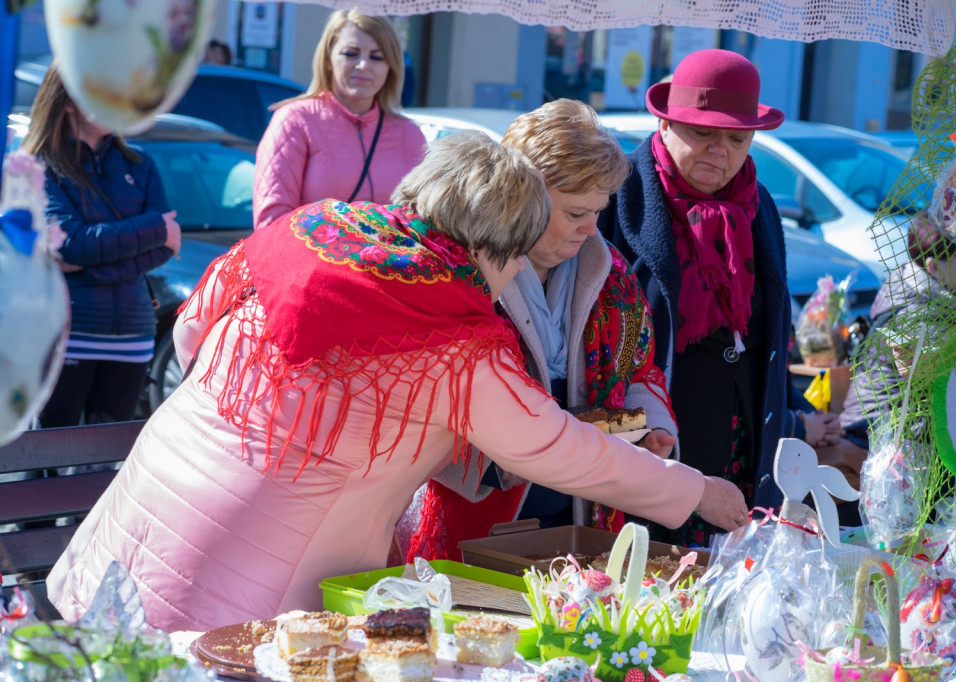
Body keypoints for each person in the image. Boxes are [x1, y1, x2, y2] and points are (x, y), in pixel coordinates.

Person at [47, 132, 742, 632]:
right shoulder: (459, 339)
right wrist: (698, 491)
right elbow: (560, 448)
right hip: (245, 584)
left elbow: (192, 331)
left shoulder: (311, 230)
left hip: (133, 523)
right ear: (492, 246)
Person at [404, 100, 747, 561]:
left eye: (598, 211)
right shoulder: (468, 276)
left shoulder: (611, 271)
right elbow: (449, 425)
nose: (591, 229)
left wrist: (654, 429)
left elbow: (640, 368)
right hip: (480, 521)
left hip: (587, 518)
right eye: (574, 213)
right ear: (521, 198)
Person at [598, 49, 791, 545]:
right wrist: (625, 430)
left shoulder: (760, 205)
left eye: (736, 138)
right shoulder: (618, 198)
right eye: (702, 133)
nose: (719, 151)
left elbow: (769, 338)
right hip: (652, 443)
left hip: (739, 448)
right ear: (664, 125)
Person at [21, 64, 180, 427]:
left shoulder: (139, 163)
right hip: (65, 333)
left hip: (133, 335)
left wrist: (90, 263)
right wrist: (151, 229)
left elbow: (168, 244)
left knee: (106, 465)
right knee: (48, 462)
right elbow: (71, 245)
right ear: (69, 100)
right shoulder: (39, 165)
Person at [816, 213, 956, 522]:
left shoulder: (907, 287)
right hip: (877, 450)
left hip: (882, 440)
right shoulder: (921, 314)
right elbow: (954, 395)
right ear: (933, 267)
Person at [253, 10, 426, 230]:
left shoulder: (410, 134)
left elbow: (423, 224)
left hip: (390, 265)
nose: (363, 65)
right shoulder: (295, 120)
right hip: (313, 262)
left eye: (377, 56)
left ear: (391, 66)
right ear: (327, 59)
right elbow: (271, 224)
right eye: (351, 53)